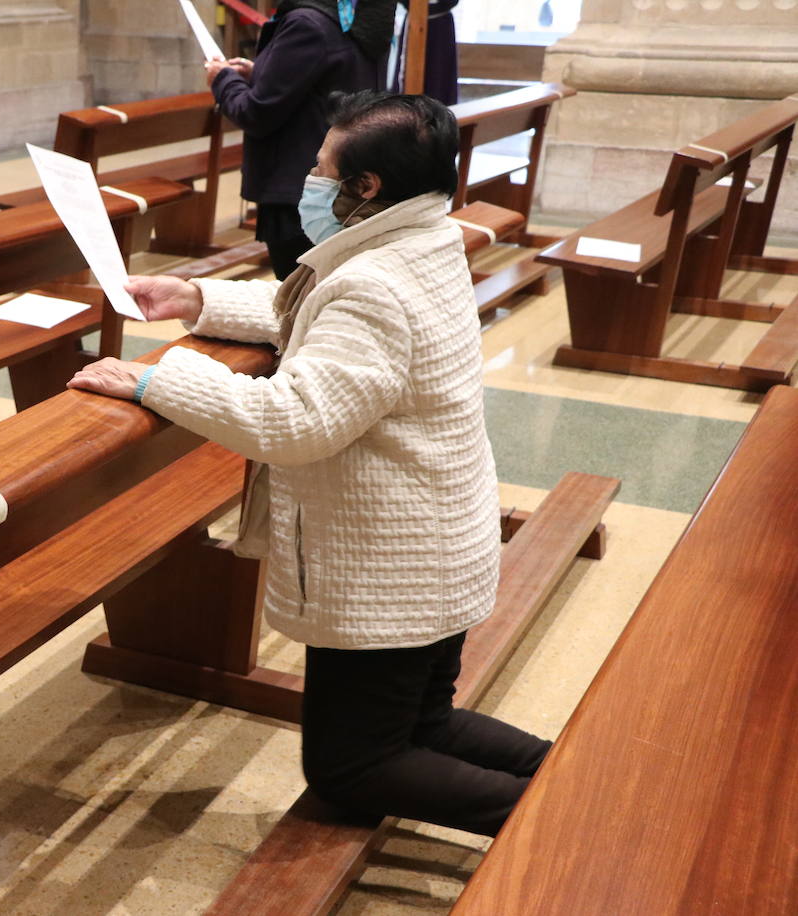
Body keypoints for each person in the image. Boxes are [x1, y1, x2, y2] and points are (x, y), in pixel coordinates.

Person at [68, 91, 550, 838]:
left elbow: (296, 420)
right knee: (422, 722)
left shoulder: (374, 282)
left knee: (350, 768)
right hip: (434, 543)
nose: (308, 178)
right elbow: (317, 317)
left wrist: (155, 380)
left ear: (366, 189)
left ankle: (575, 815)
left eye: (322, 168)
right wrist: (194, 297)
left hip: (392, 568)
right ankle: (574, 769)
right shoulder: (422, 238)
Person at [207, 0, 385, 281]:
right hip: (341, 179)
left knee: (299, 299)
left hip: (299, 188)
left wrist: (223, 80)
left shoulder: (308, 23)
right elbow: (330, 80)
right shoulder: (357, 15)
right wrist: (260, 74)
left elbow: (255, 113)